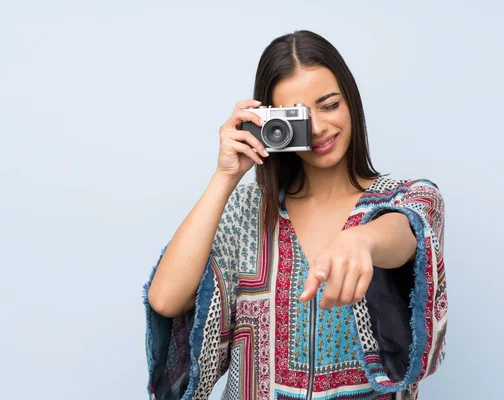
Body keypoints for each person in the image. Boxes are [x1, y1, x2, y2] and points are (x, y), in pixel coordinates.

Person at [143, 30, 447, 400]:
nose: (318, 128)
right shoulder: (249, 210)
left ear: (351, 101)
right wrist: (226, 176)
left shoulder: (410, 197)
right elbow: (166, 299)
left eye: (329, 105)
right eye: (298, 116)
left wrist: (360, 239)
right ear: (270, 122)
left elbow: (405, 233)